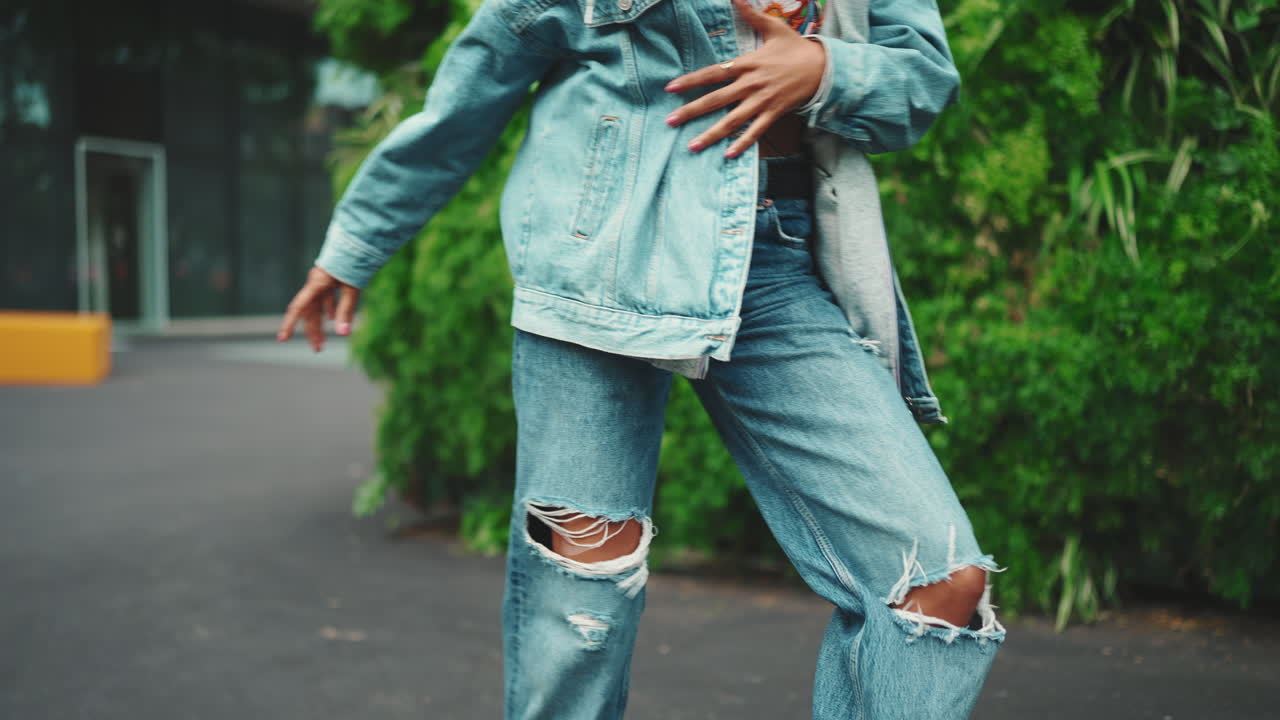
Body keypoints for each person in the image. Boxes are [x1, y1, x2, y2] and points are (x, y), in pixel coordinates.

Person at [278, 0, 1006, 716]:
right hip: (599, 273)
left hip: (777, 267)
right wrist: (355, 247)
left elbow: (921, 84)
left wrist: (822, 69)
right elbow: (468, 96)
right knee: (580, 613)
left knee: (940, 585)